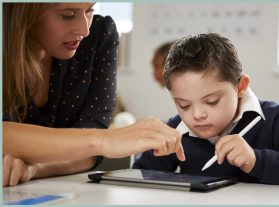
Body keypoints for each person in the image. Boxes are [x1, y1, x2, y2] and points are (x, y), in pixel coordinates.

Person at [2, 2, 185, 187]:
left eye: (90, 10)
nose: (84, 30)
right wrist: (105, 139)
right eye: (68, 15)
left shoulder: (99, 34)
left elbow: (89, 154)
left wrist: (33, 168)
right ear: (25, 11)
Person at [133, 33, 279, 186]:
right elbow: (138, 178)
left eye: (212, 101)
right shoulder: (176, 130)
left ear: (240, 87)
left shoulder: (273, 118)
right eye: (184, 105)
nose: (197, 115)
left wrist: (256, 160)